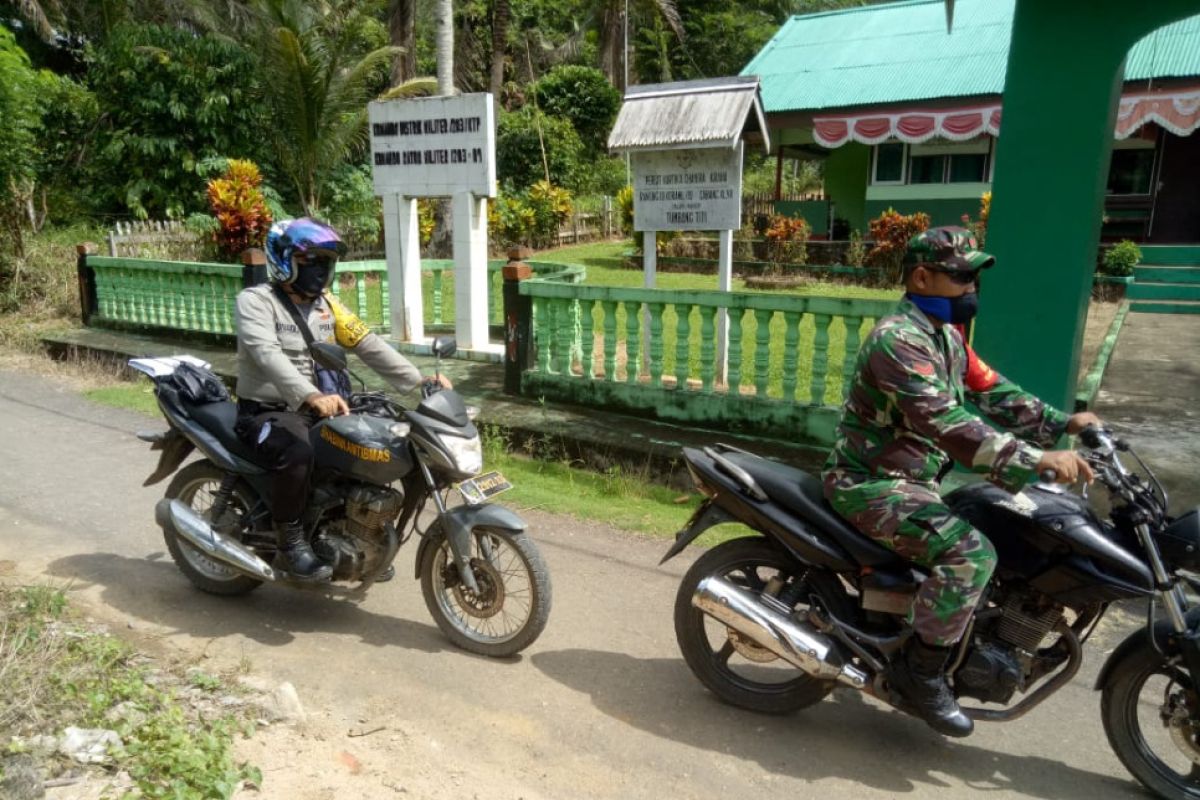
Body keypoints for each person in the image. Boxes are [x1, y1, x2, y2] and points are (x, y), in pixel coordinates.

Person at [822, 226, 1101, 738]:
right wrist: (1035, 458)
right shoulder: (897, 341)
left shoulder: (945, 336)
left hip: (917, 480)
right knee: (972, 555)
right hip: (873, 483)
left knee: (1006, 526)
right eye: (960, 276)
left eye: (974, 277)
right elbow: (943, 422)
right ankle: (920, 675)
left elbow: (993, 391)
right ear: (921, 276)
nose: (971, 289)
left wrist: (1065, 422)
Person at [235, 218, 451, 582]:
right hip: (269, 411)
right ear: (285, 260)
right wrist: (311, 395)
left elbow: (369, 345)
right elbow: (267, 355)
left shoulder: (328, 306)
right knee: (299, 451)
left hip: (324, 406)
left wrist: (420, 382)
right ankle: (291, 541)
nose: (321, 269)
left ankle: (362, 538)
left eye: (326, 261)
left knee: (378, 444)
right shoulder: (256, 303)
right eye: (312, 260)